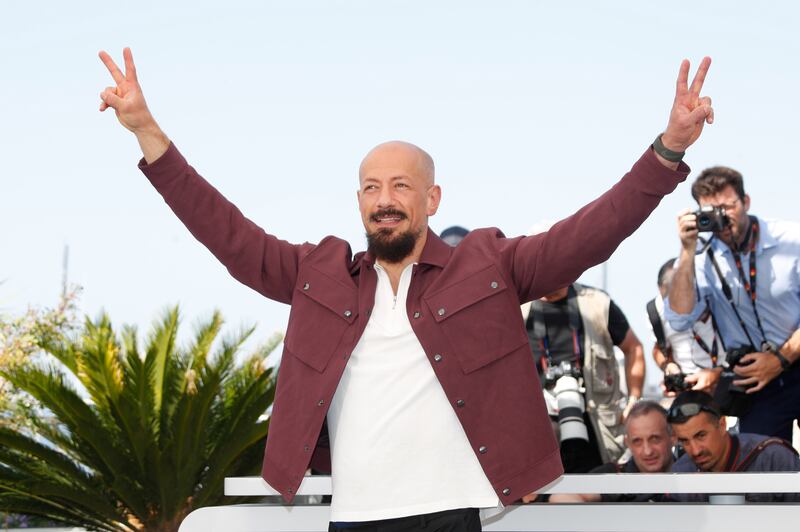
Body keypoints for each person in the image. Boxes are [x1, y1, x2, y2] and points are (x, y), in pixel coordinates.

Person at [98, 48, 713, 531]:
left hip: (454, 511)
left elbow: (589, 233)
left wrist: (667, 151)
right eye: (371, 187)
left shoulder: (488, 263)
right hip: (354, 515)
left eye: (399, 186)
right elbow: (226, 233)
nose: (384, 200)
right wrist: (148, 132)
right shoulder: (320, 274)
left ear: (431, 199)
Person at [666, 166, 800, 441]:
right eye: (710, 212)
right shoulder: (701, 258)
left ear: (746, 201)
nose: (722, 218)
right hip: (756, 379)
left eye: (728, 207)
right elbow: (679, 317)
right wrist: (686, 250)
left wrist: (780, 359)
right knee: (760, 465)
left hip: (789, 357)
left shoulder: (792, 240)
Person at [521, 284, 645, 471]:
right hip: (539, 423)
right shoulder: (518, 306)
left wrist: (633, 402)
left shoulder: (596, 303)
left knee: (598, 487)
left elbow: (633, 348)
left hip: (596, 423)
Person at [668, 390, 800, 502]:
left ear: (722, 425)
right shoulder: (681, 474)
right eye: (685, 441)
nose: (695, 451)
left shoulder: (773, 458)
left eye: (701, 435)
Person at [547, 400, 674, 503]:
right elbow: (561, 498)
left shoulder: (690, 470)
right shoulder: (615, 475)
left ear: (673, 437)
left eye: (655, 439)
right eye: (637, 441)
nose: (647, 451)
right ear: (627, 443)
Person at [648, 258, 724, 395]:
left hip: (730, 382)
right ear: (661, 289)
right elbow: (659, 348)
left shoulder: (719, 299)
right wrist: (668, 367)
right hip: (690, 391)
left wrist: (717, 373)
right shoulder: (655, 311)